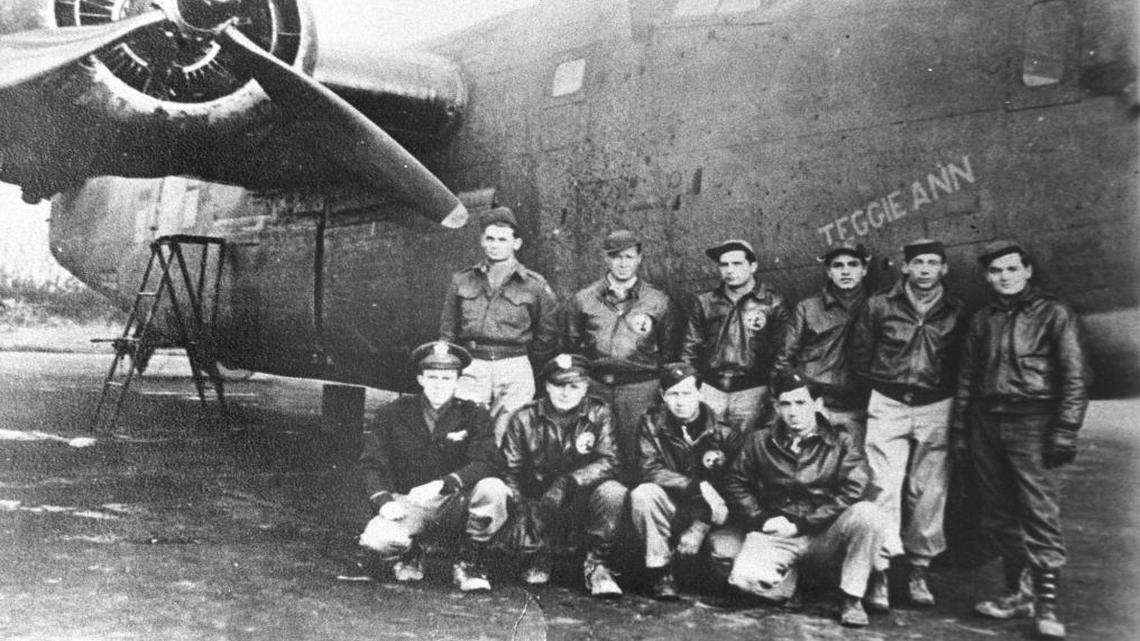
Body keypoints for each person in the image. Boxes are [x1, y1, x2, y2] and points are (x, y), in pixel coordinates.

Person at [951, 241, 1089, 639]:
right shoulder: (983, 319)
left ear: (1028, 271)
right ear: (987, 278)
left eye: (1012, 269)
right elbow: (967, 378)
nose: (1005, 278)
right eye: (996, 272)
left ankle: (1047, 606)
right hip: (987, 423)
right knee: (998, 515)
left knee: (1039, 514)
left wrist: (1064, 430)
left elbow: (1074, 377)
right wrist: (961, 431)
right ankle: (1017, 593)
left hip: (1034, 422)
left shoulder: (1054, 313)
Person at [721, 371, 891, 628]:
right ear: (777, 406)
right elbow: (735, 480)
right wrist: (760, 517)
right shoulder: (760, 440)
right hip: (780, 532)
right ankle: (793, 583)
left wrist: (806, 522)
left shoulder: (841, 441)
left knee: (868, 514)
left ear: (817, 405)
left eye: (801, 403)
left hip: (824, 532)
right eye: (785, 404)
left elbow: (854, 488)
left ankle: (851, 598)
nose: (793, 411)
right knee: (743, 580)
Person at [849, 238, 967, 606]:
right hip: (889, 402)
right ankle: (879, 573)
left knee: (929, 491)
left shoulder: (957, 310)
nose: (926, 269)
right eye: (918, 263)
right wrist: (887, 388)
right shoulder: (880, 304)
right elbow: (861, 355)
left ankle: (919, 570)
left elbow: (965, 362)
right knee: (882, 485)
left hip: (937, 405)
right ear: (905, 267)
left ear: (944, 268)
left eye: (933, 263)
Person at [356, 341, 510, 592]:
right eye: (433, 377)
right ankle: (410, 553)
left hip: (453, 502)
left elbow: (487, 462)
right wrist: (384, 501)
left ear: (457, 381)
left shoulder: (474, 415)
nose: (439, 384)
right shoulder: (392, 413)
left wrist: (445, 482)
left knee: (493, 489)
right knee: (377, 540)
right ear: (420, 378)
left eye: (447, 378)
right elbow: (371, 464)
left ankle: (469, 561)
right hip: (410, 503)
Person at [499, 353, 628, 597]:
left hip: (581, 498)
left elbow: (610, 461)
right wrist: (521, 513)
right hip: (539, 501)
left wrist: (568, 481)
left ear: (586, 387)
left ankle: (597, 565)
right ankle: (539, 554)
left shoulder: (599, 413)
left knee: (613, 492)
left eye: (574, 386)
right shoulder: (524, 417)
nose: (565, 393)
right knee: (532, 573)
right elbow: (510, 471)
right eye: (558, 385)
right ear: (547, 385)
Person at [563, 229, 678, 481]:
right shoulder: (584, 299)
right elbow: (572, 345)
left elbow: (669, 349)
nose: (623, 263)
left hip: (639, 389)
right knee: (594, 448)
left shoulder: (657, 301)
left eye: (629, 257)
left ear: (639, 259)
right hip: (597, 386)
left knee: (639, 452)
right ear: (606, 259)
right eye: (616, 257)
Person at [439, 207, 559, 438]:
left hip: (514, 367)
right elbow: (448, 330)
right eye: (490, 238)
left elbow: (547, 333)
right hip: (473, 364)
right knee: (463, 431)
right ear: (482, 241)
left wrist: (524, 361)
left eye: (503, 239)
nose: (495, 245)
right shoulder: (462, 280)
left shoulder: (534, 285)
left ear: (516, 243)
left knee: (512, 434)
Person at [628, 362, 742, 600]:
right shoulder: (651, 423)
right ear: (663, 396)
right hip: (671, 507)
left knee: (725, 567)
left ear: (700, 393)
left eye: (687, 393)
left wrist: (701, 526)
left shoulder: (724, 432)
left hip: (713, 517)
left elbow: (734, 485)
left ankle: (696, 571)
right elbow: (648, 469)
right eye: (673, 394)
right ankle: (662, 572)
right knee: (643, 494)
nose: (680, 401)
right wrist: (696, 485)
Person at [681, 239, 789, 431]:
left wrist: (770, 393)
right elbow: (689, 348)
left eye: (737, 263)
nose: (730, 270)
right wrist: (692, 389)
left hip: (753, 393)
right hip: (710, 390)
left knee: (747, 452)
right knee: (709, 452)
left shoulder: (772, 303)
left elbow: (783, 353)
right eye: (724, 265)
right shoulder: (705, 302)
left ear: (753, 266)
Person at [774, 241, 872, 445]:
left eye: (853, 264)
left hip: (859, 407)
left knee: (854, 468)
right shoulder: (807, 308)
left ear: (864, 270)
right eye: (838, 265)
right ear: (828, 271)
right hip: (815, 406)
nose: (845, 271)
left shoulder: (878, 306)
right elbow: (784, 359)